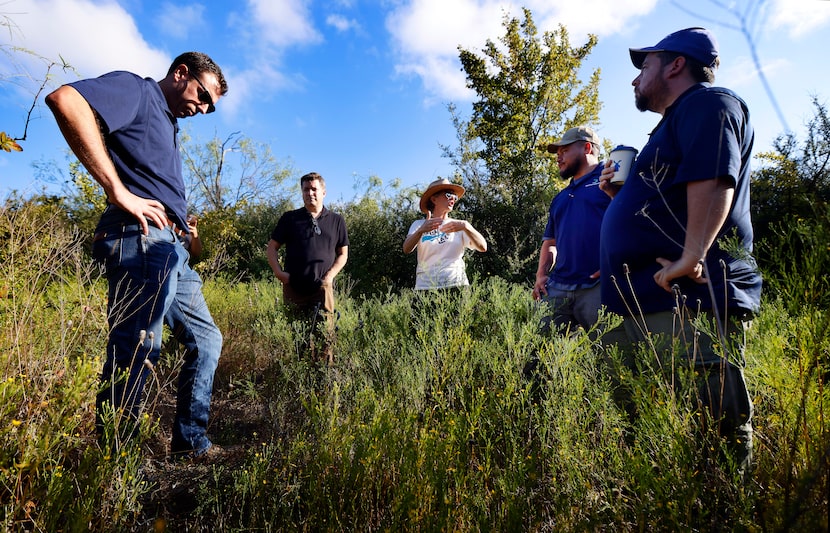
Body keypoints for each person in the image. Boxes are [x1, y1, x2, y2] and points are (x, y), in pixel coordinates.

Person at [46, 52, 228, 460]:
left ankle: (190, 443)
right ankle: (116, 462)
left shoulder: (168, 122)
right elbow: (66, 100)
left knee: (207, 339)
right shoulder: (140, 91)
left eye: (211, 107)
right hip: (142, 238)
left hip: (173, 248)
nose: (204, 109)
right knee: (138, 344)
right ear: (181, 74)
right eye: (203, 96)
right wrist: (117, 190)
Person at [598, 27, 761, 473]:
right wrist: (620, 204)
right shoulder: (669, 125)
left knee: (714, 431)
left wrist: (691, 256)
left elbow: (713, 177)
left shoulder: (708, 103)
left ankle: (722, 514)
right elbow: (663, 201)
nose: (634, 79)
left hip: (685, 299)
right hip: (643, 303)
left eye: (644, 66)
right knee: (653, 428)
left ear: (675, 64)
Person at [532, 126, 610, 335]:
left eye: (564, 151)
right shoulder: (561, 197)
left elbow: (631, 223)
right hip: (558, 286)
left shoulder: (610, 181)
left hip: (599, 286)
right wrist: (541, 275)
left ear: (587, 147)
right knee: (537, 353)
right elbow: (550, 242)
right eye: (557, 153)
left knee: (608, 355)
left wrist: (618, 263)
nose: (559, 157)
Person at [266, 172, 349, 364]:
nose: (310, 193)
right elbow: (272, 248)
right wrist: (279, 274)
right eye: (306, 189)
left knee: (325, 339)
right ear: (301, 192)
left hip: (322, 290)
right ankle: (301, 386)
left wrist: (329, 277)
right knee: (298, 340)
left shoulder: (336, 220)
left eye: (314, 189)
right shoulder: (290, 218)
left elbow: (343, 254)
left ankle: (324, 386)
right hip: (294, 288)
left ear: (323, 192)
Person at [403, 178, 487, 290]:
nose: (453, 198)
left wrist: (467, 226)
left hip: (457, 285)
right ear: (434, 199)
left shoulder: (459, 225)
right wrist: (420, 231)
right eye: (448, 194)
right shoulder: (419, 225)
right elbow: (406, 249)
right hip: (425, 287)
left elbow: (483, 247)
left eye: (454, 196)